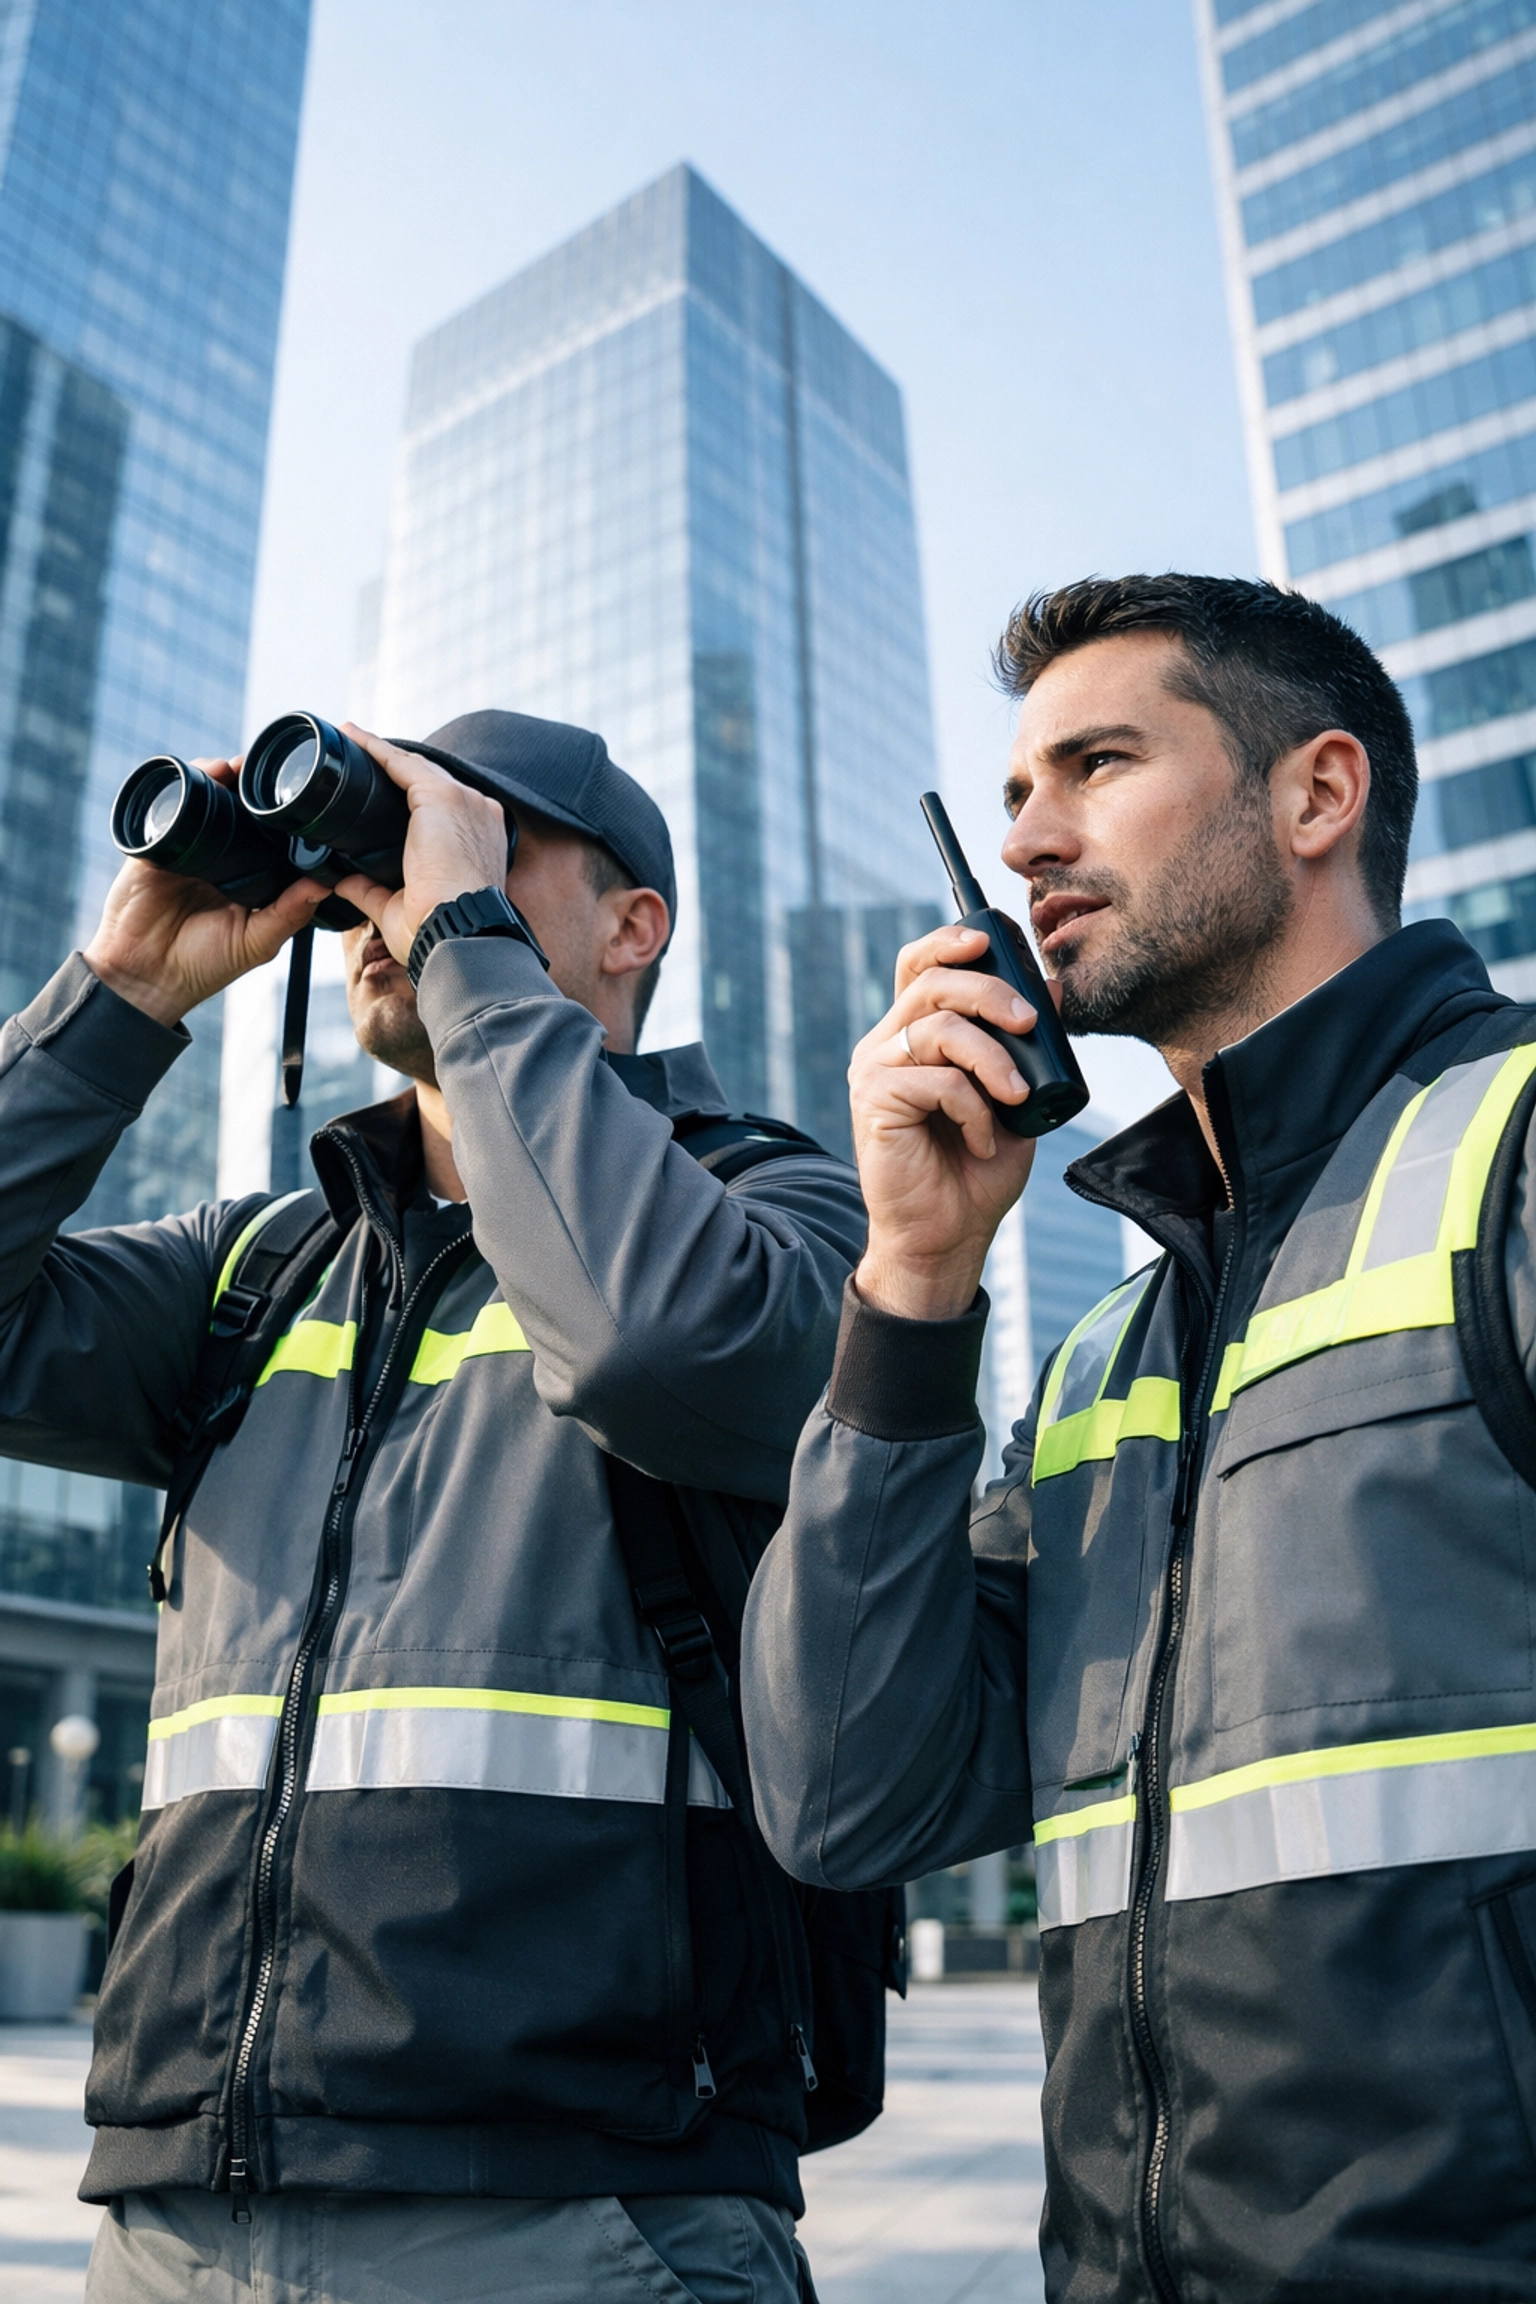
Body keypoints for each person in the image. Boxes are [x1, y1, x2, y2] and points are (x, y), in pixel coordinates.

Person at [0, 708, 868, 2302]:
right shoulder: (260, 1273)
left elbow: (650, 1342)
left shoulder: (775, 1208)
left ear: (633, 928)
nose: (394, 887)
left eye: (468, 835)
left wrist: (464, 948)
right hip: (180, 2208)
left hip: (584, 2207)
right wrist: (116, 1003)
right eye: (386, 847)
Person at [739, 574, 1536, 2301]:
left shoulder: (1517, 1151)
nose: (1027, 839)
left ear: (1316, 796)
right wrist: (915, 1278)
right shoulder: (1110, 1351)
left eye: (1096, 764)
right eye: (1014, 791)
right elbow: (843, 1798)